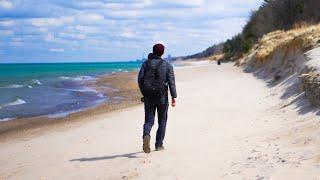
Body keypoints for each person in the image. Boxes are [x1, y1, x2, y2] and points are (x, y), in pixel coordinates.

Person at [138, 43, 177, 153]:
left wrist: (144, 92)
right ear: (162, 52)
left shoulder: (145, 64)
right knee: (162, 121)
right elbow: (171, 82)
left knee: (149, 121)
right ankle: (159, 145)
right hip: (162, 98)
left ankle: (146, 135)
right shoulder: (168, 65)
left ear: (153, 51)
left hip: (149, 97)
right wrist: (174, 97)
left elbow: (140, 80)